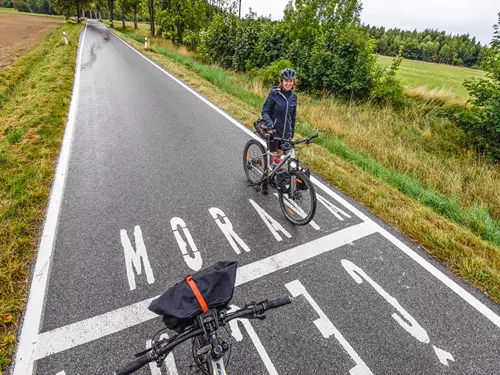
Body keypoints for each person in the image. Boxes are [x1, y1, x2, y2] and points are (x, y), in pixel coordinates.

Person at [260, 68, 298, 194]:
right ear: (281, 81)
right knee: (273, 159)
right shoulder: (274, 94)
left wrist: (292, 133)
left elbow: (293, 117)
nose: (288, 83)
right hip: (274, 132)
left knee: (281, 160)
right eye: (286, 80)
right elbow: (265, 111)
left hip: (285, 134)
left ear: (293, 82)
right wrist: (270, 125)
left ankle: (274, 177)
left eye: (291, 81)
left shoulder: (293, 97)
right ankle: (265, 180)